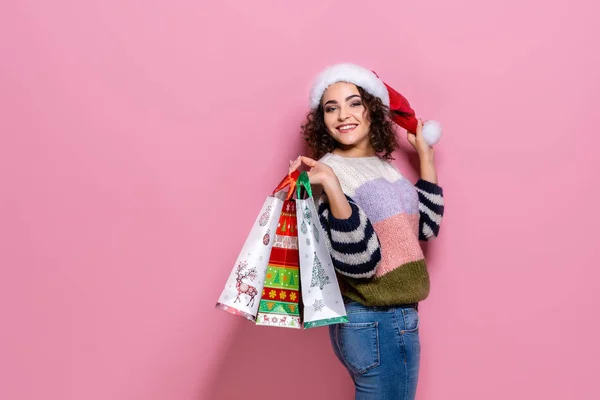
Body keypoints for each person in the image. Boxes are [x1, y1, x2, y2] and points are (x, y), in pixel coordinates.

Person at [289, 63, 445, 399]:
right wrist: (331, 186)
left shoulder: (381, 167)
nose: (343, 115)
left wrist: (426, 158)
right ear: (322, 120)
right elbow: (360, 263)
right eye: (331, 108)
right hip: (375, 318)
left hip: (392, 318)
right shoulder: (329, 170)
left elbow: (425, 228)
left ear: (373, 108)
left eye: (353, 103)